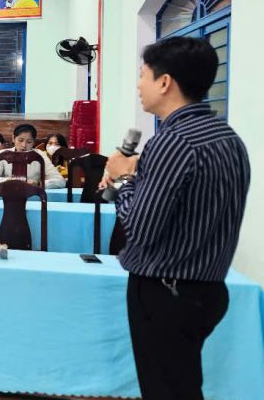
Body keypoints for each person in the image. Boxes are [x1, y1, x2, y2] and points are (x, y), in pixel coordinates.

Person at [100, 37, 250, 400]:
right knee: (182, 387)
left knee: (165, 391)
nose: (138, 85)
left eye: (142, 76)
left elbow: (141, 229)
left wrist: (121, 179)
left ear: (164, 82)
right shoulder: (229, 138)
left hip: (166, 291)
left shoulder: (172, 141)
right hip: (207, 288)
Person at [0, 124, 65, 188]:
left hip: (33, 196)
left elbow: (60, 181)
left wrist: (39, 184)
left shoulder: (40, 155)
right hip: (7, 195)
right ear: (13, 138)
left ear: (34, 142)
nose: (24, 145)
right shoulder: (3, 154)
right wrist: (10, 181)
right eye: (20, 140)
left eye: (29, 142)